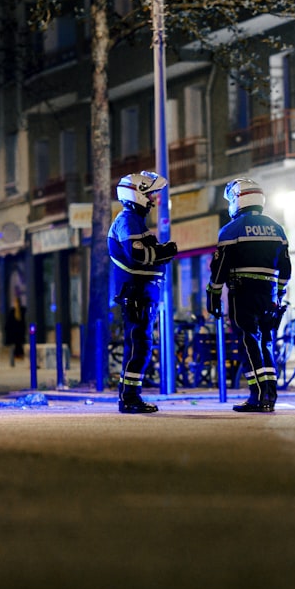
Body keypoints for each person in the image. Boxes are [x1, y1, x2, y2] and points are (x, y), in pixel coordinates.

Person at [206, 178, 291, 412]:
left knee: (248, 341)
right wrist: (280, 294)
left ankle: (257, 396)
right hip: (269, 294)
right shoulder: (277, 228)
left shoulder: (231, 230)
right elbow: (286, 269)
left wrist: (212, 296)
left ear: (237, 199)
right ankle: (270, 395)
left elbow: (219, 269)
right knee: (266, 342)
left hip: (242, 293)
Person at [108, 171, 179, 414]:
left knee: (140, 346)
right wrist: (164, 252)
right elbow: (137, 255)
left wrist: (161, 252)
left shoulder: (135, 222)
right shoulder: (128, 220)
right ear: (136, 193)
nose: (152, 200)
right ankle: (129, 398)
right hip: (136, 294)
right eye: (149, 194)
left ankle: (130, 396)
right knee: (139, 346)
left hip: (142, 295)